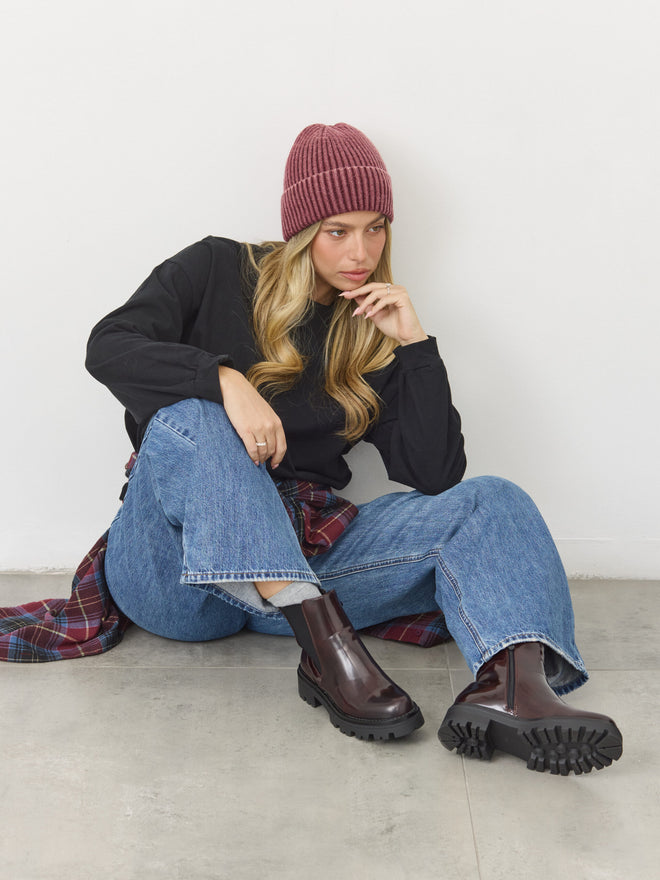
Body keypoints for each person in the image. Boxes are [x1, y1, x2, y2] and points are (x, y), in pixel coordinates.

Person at [84, 122, 622, 776]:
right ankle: (322, 643)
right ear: (302, 230)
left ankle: (514, 690)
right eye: (337, 231)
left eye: (376, 228)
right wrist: (224, 380)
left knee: (492, 500)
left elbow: (435, 474)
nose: (360, 251)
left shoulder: (368, 329)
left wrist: (414, 346)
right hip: (174, 575)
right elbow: (108, 346)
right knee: (193, 417)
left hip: (303, 563)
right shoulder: (216, 268)